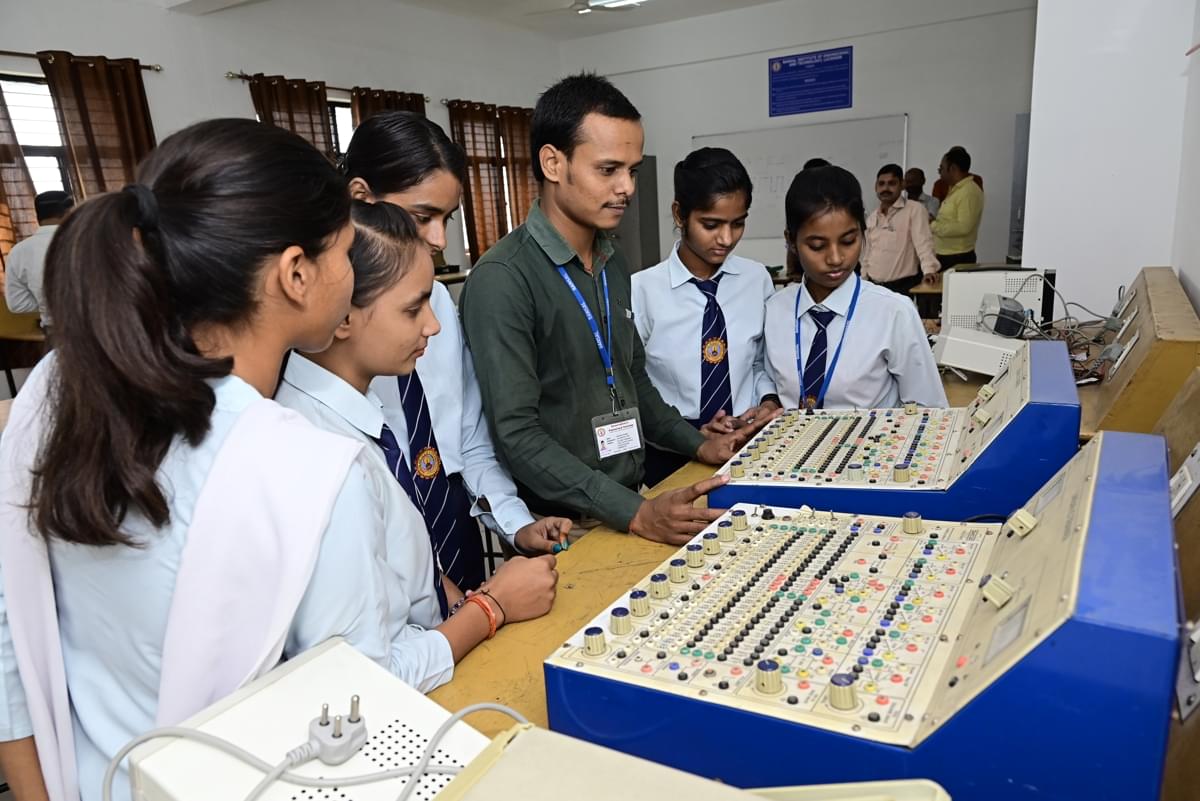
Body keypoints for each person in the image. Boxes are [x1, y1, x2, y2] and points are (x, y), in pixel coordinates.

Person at [0, 119, 477, 801]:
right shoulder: (305, 469)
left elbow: (11, 644)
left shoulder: (53, 390)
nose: (351, 270)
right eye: (345, 249)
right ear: (296, 273)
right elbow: (358, 708)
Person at [460, 73, 760, 547]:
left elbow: (632, 379)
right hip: (562, 525)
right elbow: (517, 435)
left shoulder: (611, 259)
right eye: (608, 170)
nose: (627, 187)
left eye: (633, 170)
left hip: (630, 500)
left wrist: (700, 445)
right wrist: (635, 512)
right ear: (553, 163)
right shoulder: (503, 279)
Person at [275, 201, 558, 688]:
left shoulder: (357, 419)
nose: (433, 325)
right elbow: (361, 680)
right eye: (413, 308)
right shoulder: (330, 461)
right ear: (341, 313)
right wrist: (492, 608)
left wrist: (449, 596)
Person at [341, 111, 571, 591]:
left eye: (447, 219)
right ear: (361, 199)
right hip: (381, 575)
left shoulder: (438, 302)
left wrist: (515, 523)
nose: (440, 240)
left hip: (457, 537)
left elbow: (466, 441)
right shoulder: (320, 336)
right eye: (422, 216)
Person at [631, 147, 779, 486]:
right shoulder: (642, 291)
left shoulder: (757, 280)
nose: (726, 239)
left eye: (738, 223)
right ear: (680, 214)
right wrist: (692, 434)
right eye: (710, 225)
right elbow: (633, 385)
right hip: (671, 453)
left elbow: (760, 363)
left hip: (746, 443)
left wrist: (767, 402)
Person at [763, 165, 947, 410]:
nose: (836, 258)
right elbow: (767, 384)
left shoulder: (894, 313)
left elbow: (929, 411)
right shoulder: (775, 310)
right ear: (791, 242)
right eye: (817, 246)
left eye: (849, 241)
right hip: (792, 446)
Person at [862, 163, 939, 294]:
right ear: (876, 187)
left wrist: (929, 270)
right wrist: (863, 280)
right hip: (873, 287)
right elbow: (866, 253)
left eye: (892, 183)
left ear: (902, 185)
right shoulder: (872, 217)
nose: (885, 188)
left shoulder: (914, 210)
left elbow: (923, 243)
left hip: (902, 287)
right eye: (881, 184)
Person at [4, 190, 74, 326]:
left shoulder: (18, 251)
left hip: (55, 332)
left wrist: (46, 304)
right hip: (97, 329)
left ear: (38, 216)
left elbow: (16, 304)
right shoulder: (86, 241)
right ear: (69, 213)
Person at [931, 147, 985, 272]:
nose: (940, 173)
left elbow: (964, 227)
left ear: (953, 169)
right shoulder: (955, 190)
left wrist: (932, 225)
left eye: (941, 169)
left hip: (957, 258)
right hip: (946, 256)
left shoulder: (968, 192)